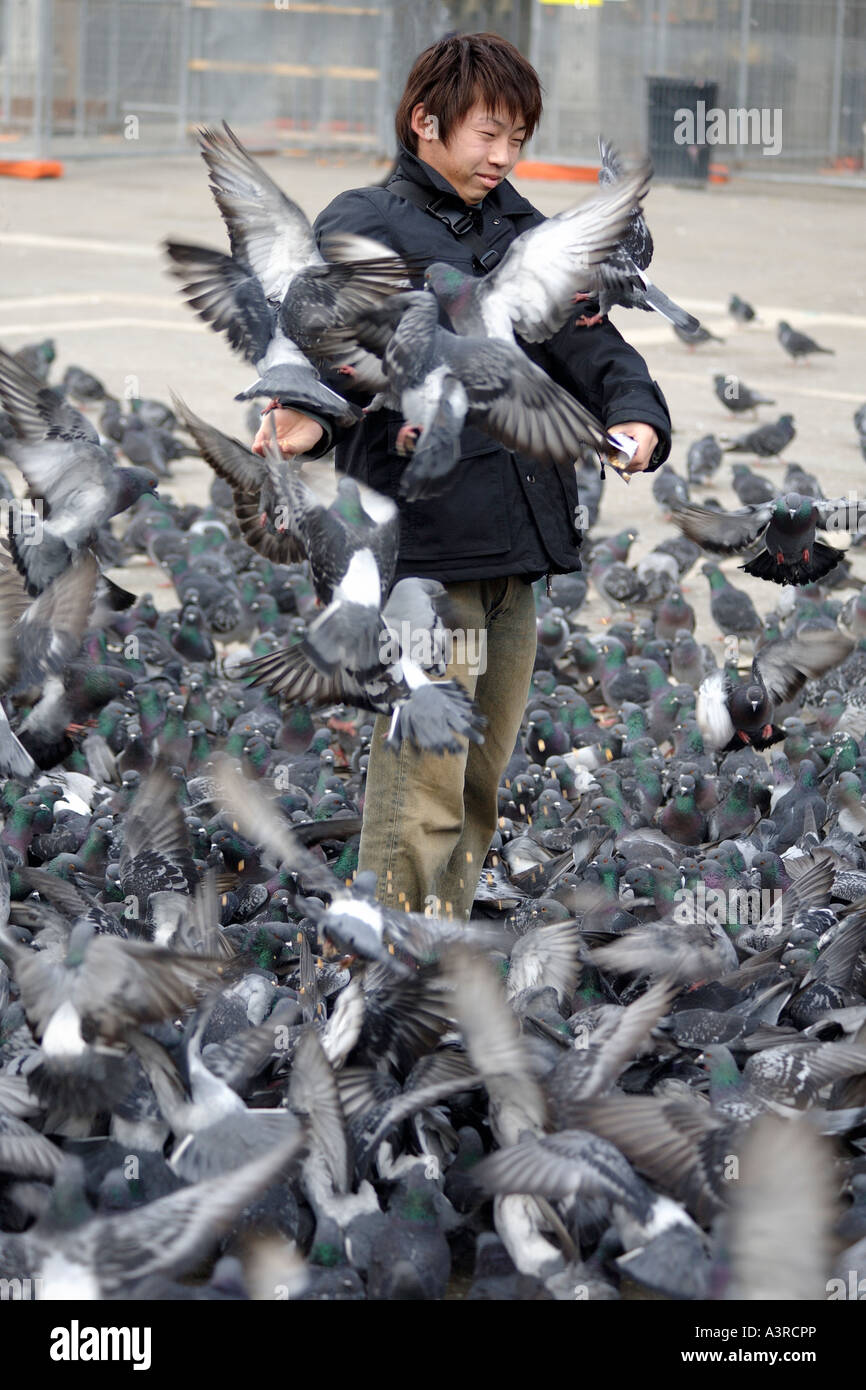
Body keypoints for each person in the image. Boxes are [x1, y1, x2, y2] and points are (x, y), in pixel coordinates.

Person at [253, 32, 672, 920]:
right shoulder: (361, 225)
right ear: (425, 123)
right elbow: (341, 350)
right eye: (489, 134)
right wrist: (307, 413)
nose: (504, 156)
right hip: (426, 556)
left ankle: (440, 944)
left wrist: (638, 414)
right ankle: (389, 947)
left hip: (517, 548)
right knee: (425, 773)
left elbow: (594, 346)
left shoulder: (530, 234)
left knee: (481, 773)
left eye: (518, 137)